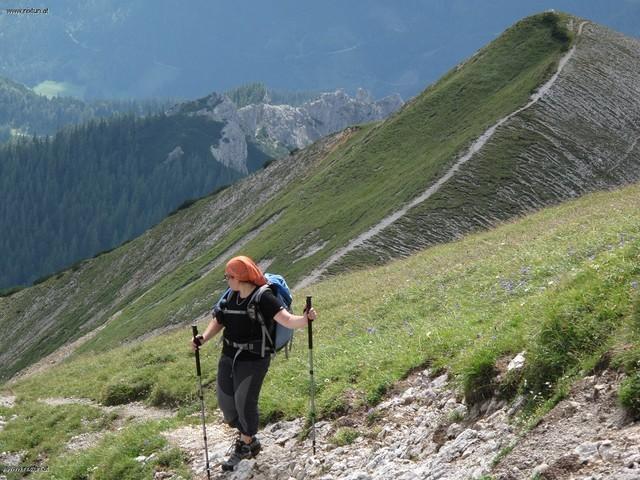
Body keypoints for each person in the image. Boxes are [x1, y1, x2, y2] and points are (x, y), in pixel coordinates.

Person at [191, 255, 317, 471]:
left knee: (244, 402)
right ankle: (249, 438)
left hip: (254, 359)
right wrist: (203, 337)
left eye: (228, 276)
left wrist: (305, 320)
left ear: (240, 277)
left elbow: (286, 319)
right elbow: (219, 319)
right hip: (228, 356)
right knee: (227, 406)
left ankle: (246, 444)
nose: (226, 280)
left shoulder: (264, 297)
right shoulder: (230, 296)